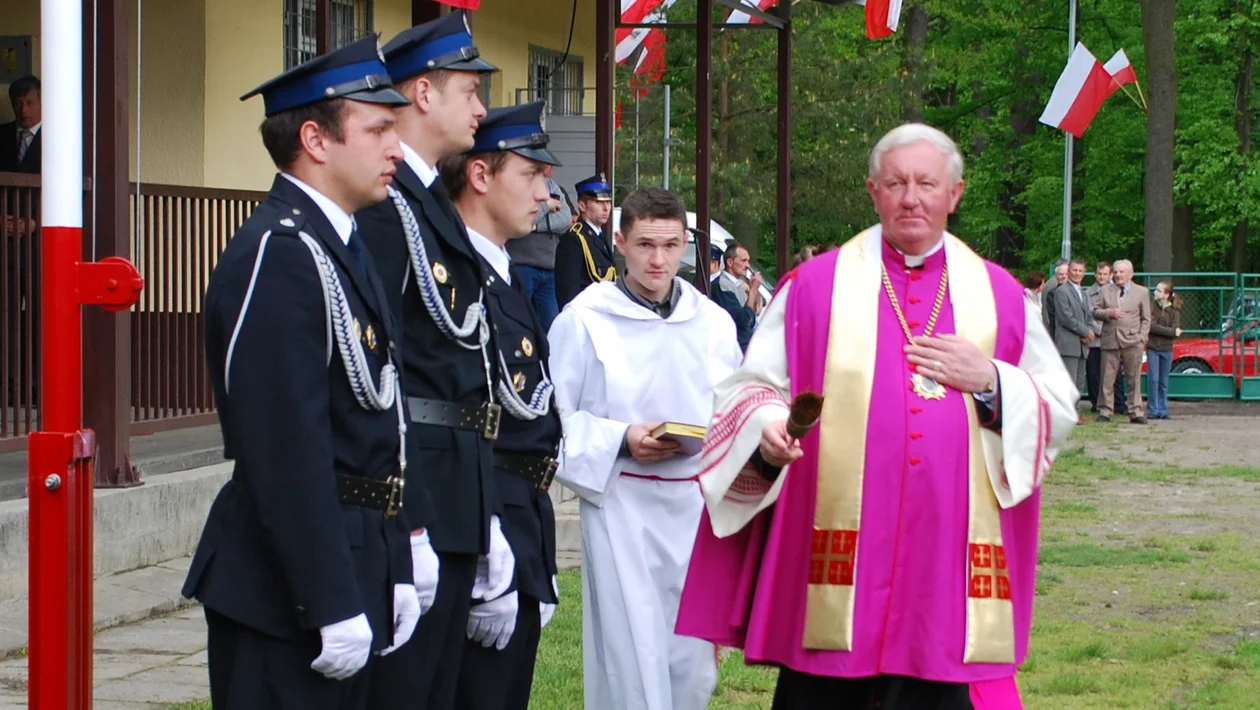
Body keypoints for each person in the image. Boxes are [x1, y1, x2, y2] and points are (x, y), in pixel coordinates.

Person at [676, 123, 1079, 710]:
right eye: (896, 182)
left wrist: (992, 380)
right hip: (837, 548)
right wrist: (766, 428)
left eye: (925, 183)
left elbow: (1058, 407)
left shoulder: (1000, 295)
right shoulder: (813, 288)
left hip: (947, 548)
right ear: (873, 191)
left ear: (955, 194)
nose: (911, 197)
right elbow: (754, 385)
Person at [181, 37, 422, 708]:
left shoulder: (339, 243)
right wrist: (328, 597)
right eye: (377, 130)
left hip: (354, 554)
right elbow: (283, 446)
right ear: (315, 139)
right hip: (286, 587)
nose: (396, 148)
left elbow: (382, 426)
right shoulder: (281, 252)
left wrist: (395, 563)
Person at [355, 14, 515, 710]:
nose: (481, 108)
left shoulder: (430, 205)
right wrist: (410, 519)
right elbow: (386, 376)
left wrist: (485, 519)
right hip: (422, 487)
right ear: (422, 94)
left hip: (458, 485)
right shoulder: (387, 208)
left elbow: (464, 369)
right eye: (467, 91)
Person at [549, 187, 742, 710]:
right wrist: (622, 440)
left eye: (670, 245)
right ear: (620, 242)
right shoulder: (585, 319)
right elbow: (554, 421)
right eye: (645, 245)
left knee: (692, 663)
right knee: (631, 661)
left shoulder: (714, 323)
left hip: (692, 507)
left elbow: (734, 411)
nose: (658, 260)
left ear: (687, 244)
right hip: (621, 506)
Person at [437, 101, 563, 710]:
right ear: (481, 176)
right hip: (484, 520)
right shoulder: (458, 282)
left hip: (519, 517)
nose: (547, 192)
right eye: (532, 174)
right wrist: (492, 547)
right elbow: (464, 419)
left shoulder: (501, 272)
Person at [505, 163, 574, 333]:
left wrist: (534, 227)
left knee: (551, 326)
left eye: (549, 165)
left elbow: (566, 219)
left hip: (548, 267)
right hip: (522, 264)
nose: (547, 169)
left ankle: (548, 359)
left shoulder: (553, 187)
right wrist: (547, 206)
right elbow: (517, 218)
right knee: (518, 320)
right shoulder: (518, 186)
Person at [1093, 259, 1150, 424]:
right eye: (1116, 272)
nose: (1118, 275)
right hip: (1110, 339)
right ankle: (1105, 411)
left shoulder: (1142, 292)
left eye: (1121, 272)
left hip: (1133, 341)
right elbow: (1094, 311)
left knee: (1134, 378)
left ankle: (1136, 412)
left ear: (1131, 274)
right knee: (1107, 378)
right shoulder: (1104, 291)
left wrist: (1142, 338)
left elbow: (1146, 318)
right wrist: (1109, 313)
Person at [554, 173, 617, 310]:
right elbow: (568, 295)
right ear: (582, 206)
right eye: (599, 202)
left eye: (608, 202)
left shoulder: (600, 236)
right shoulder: (574, 239)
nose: (606, 208)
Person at [1085, 261, 1127, 414]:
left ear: (1110, 275)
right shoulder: (1088, 293)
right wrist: (1099, 330)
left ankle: (1119, 404)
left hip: (1113, 338)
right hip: (1095, 340)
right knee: (1094, 374)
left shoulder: (1117, 291)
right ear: (1095, 274)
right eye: (1099, 274)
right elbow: (1089, 314)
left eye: (1105, 274)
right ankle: (1097, 403)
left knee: (1115, 375)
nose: (1102, 277)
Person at [1051, 259, 1093, 407]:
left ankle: (1075, 412)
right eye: (1074, 270)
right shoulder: (1061, 292)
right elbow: (1066, 318)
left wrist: (1090, 331)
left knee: (1080, 381)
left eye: (1080, 271)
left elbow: (1088, 316)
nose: (1077, 273)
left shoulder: (1083, 293)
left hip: (1082, 345)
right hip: (1068, 343)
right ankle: (1067, 412)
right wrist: (1085, 331)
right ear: (1068, 271)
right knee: (1069, 381)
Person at [715, 243, 765, 352]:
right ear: (730, 262)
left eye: (748, 261)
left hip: (744, 345)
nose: (747, 265)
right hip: (734, 349)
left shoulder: (740, 285)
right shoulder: (723, 285)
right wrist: (753, 291)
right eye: (743, 260)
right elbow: (744, 320)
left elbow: (753, 315)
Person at [1147, 281, 1181, 420]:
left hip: (1167, 349)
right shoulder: (1152, 307)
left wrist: (1172, 331)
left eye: (1159, 290)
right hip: (1153, 347)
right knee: (1153, 379)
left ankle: (1163, 410)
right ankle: (1152, 410)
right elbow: (1151, 326)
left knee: (1163, 380)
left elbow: (1176, 329)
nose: (1155, 292)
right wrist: (1171, 331)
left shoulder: (1174, 311)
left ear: (1166, 295)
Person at [0, 75, 41, 174]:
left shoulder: (57, 137)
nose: (23, 110)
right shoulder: (2, 134)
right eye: (18, 104)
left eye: (30, 103)